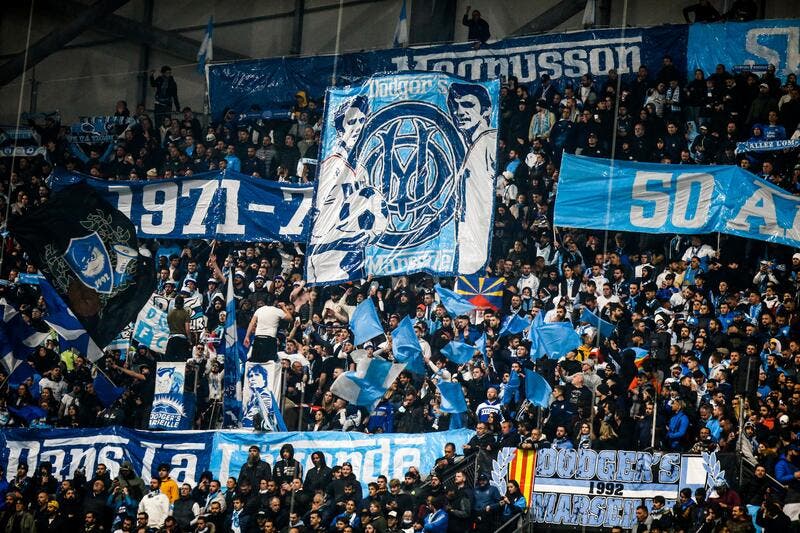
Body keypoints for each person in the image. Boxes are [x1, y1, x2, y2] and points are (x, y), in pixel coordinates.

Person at [448, 82, 497, 274]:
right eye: (456, 106)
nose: (460, 112)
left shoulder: (488, 140)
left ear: (485, 111)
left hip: (481, 225)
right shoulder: (467, 144)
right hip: (467, 226)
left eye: (468, 105)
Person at [165, 295, 191, 362]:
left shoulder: (170, 313)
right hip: (182, 340)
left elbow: (168, 325)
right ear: (183, 303)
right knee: (181, 362)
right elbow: (187, 329)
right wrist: (189, 339)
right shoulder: (185, 313)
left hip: (171, 339)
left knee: (168, 361)